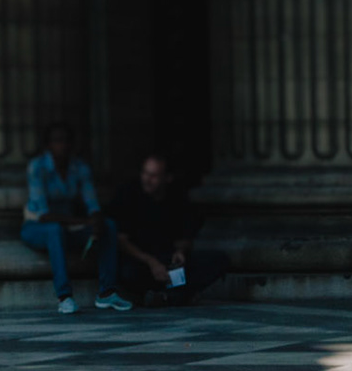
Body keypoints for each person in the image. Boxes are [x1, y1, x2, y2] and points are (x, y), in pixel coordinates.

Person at [19, 123, 130, 314]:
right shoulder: (38, 167)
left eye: (66, 141)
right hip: (37, 227)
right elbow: (44, 215)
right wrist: (86, 222)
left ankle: (107, 292)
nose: (63, 146)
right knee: (55, 229)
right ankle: (64, 296)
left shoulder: (79, 167)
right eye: (57, 141)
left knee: (108, 226)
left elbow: (92, 202)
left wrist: (95, 219)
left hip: (70, 227)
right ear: (48, 145)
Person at [111, 154, 230, 306]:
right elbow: (122, 240)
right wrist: (152, 262)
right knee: (128, 273)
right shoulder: (129, 194)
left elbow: (186, 234)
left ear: (167, 178)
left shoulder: (176, 197)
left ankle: (168, 295)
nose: (147, 179)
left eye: (153, 176)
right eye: (145, 173)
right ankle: (175, 295)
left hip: (168, 261)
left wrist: (180, 252)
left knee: (218, 260)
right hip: (142, 261)